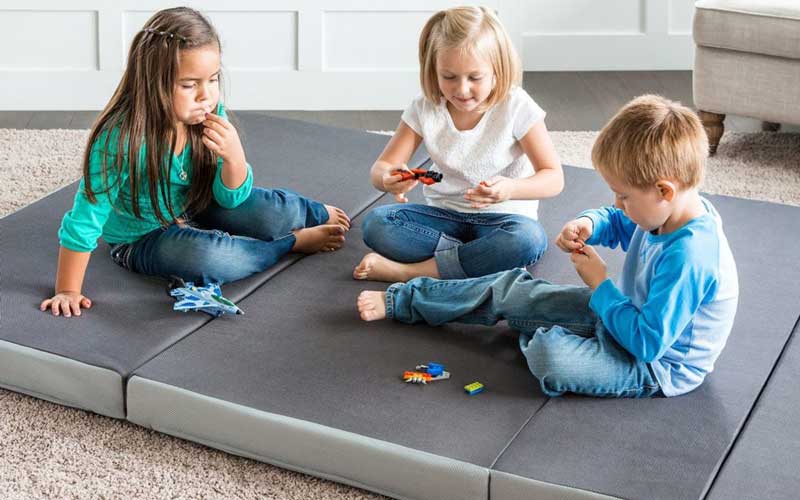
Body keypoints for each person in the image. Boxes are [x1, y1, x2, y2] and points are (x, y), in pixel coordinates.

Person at [358, 95, 739, 398]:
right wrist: (590, 223)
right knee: (510, 287)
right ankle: (406, 300)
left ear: (664, 190)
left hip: (653, 365)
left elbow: (647, 344)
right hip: (623, 312)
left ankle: (546, 329)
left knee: (549, 356)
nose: (618, 203)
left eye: (623, 195)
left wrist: (600, 285)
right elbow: (621, 222)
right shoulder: (667, 209)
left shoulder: (691, 256)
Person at [40, 7, 350, 318]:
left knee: (276, 212)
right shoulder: (121, 140)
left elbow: (231, 197)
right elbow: (86, 217)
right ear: (154, 83)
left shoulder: (209, 113)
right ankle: (290, 244)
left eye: (213, 79)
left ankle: (312, 213)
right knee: (213, 258)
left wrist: (234, 157)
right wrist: (67, 289)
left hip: (198, 202)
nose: (206, 95)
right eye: (190, 85)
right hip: (142, 238)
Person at [353, 6, 563, 283]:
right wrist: (387, 178)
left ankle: (414, 272)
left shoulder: (517, 106)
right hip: (443, 218)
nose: (461, 90)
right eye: (449, 77)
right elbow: (382, 167)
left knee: (528, 240)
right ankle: (480, 262)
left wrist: (510, 189)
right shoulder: (425, 107)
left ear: (497, 70)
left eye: (475, 77)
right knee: (377, 225)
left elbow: (553, 178)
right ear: (433, 70)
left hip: (503, 221)